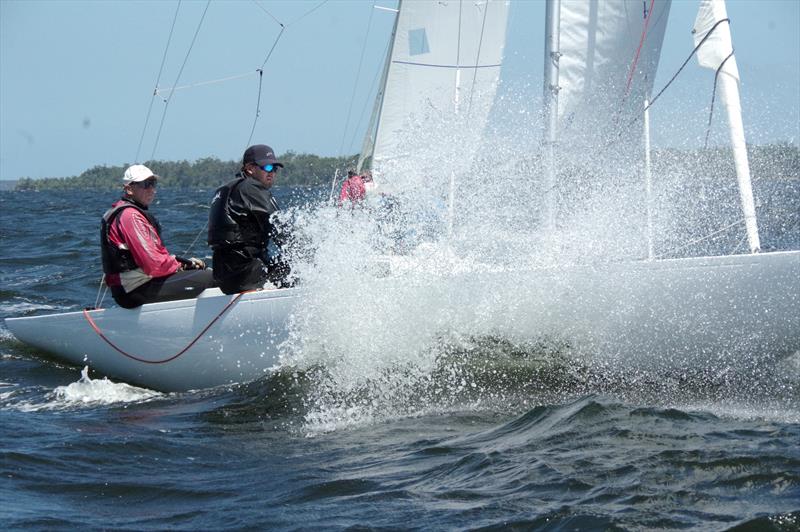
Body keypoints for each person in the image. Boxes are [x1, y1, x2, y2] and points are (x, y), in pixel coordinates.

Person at [101, 164, 215, 309]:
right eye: (146, 184)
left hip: (130, 288)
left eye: (153, 184)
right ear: (129, 189)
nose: (152, 190)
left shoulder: (124, 212)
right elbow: (154, 266)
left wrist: (182, 265)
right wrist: (181, 265)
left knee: (200, 274)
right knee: (212, 277)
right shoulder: (130, 216)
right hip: (135, 289)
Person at [207, 144, 293, 294]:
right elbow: (279, 226)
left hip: (226, 275)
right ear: (250, 168)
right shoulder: (250, 188)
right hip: (246, 274)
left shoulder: (229, 189)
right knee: (297, 268)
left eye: (275, 168)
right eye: (267, 168)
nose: (271, 173)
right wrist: (306, 253)